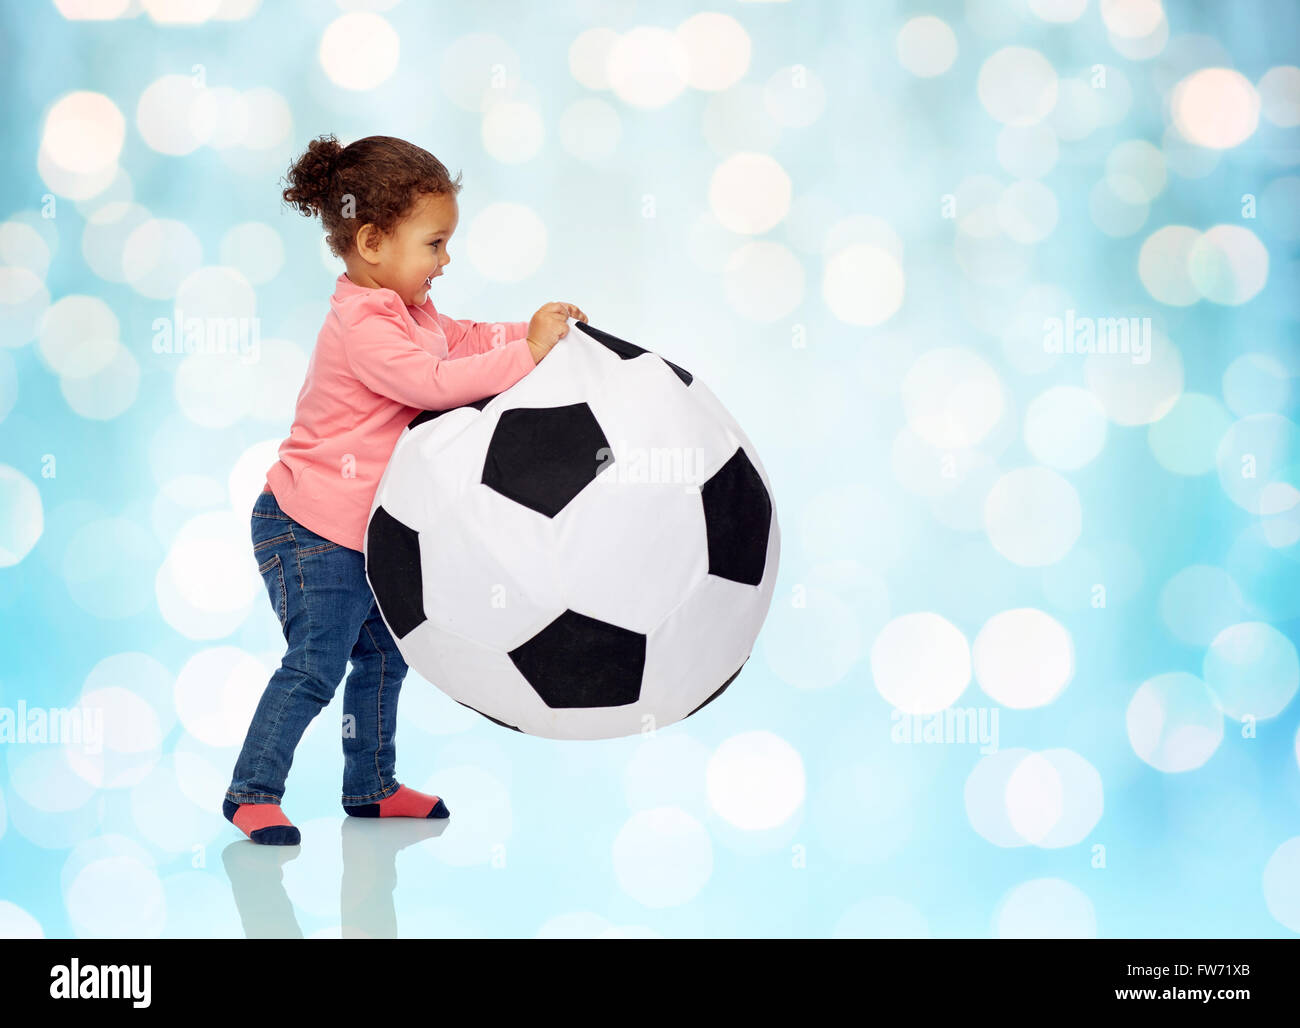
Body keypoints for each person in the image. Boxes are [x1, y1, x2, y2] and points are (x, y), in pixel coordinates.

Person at [222, 133, 587, 844]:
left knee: (386, 657)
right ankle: (251, 790)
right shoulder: (364, 326)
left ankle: (371, 784)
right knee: (315, 665)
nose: (445, 261)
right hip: (309, 529)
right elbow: (435, 384)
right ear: (372, 241)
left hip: (362, 531)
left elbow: (467, 338)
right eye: (435, 244)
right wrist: (530, 355)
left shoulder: (408, 313)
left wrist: (532, 331)